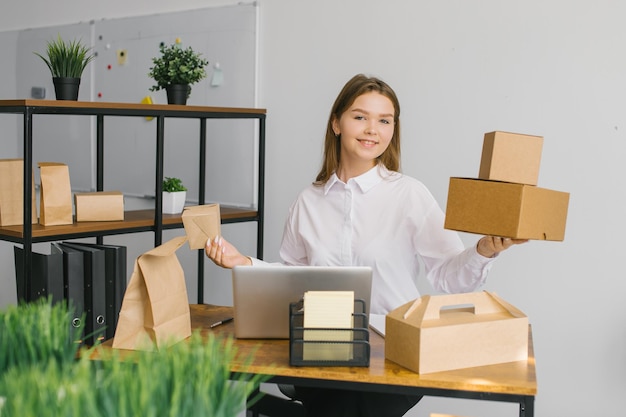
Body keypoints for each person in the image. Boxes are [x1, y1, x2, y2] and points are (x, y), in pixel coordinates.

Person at [205, 73, 527, 417]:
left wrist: (484, 251)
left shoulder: (410, 194)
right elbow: (293, 278)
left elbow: (450, 277)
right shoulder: (308, 201)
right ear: (336, 124)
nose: (373, 129)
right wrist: (244, 263)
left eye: (384, 120)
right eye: (360, 117)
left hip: (393, 352)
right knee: (336, 398)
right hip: (322, 348)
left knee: (350, 403)